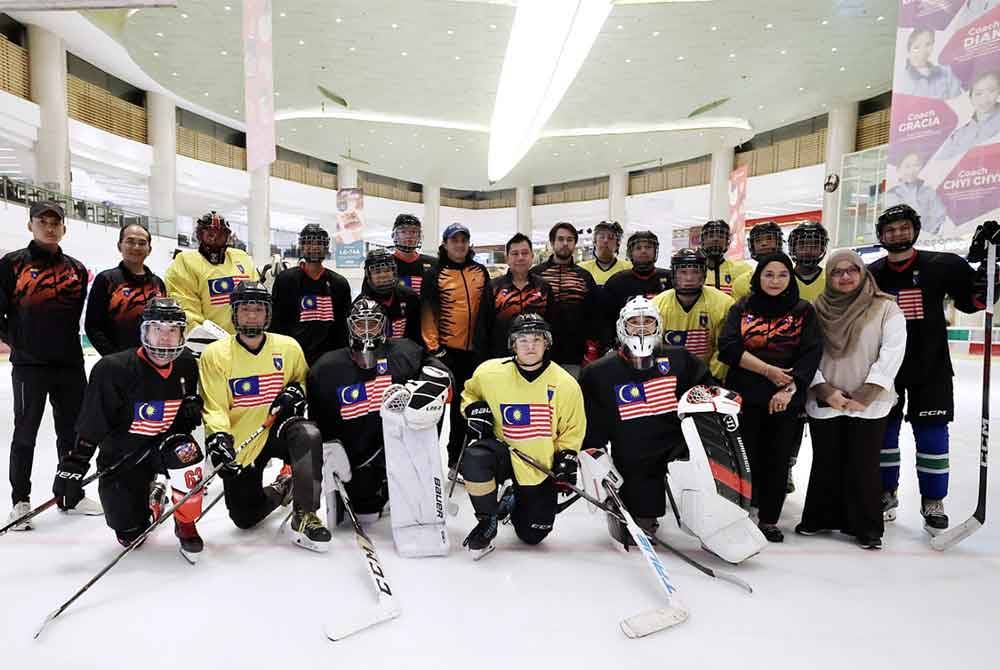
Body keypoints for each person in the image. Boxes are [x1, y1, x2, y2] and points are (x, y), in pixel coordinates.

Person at [867, 205, 999, 531]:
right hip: (886, 368)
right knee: (884, 435)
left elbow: (975, 302)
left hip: (931, 368)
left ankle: (933, 501)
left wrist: (991, 264)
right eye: (890, 229)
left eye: (903, 227)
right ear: (880, 235)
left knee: (932, 436)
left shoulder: (943, 265)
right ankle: (886, 492)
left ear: (915, 229)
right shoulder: (871, 272)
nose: (897, 234)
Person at [55, 299, 207, 559]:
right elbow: (93, 421)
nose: (165, 338)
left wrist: (188, 412)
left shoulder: (186, 364)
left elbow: (181, 418)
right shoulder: (112, 369)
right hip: (125, 455)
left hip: (163, 447)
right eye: (157, 329)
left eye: (173, 330)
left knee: (187, 453)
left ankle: (185, 522)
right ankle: (155, 496)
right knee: (131, 537)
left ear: (182, 333)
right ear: (144, 331)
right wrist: (74, 464)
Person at [199, 281, 330, 552]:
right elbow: (215, 407)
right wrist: (220, 437)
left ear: (267, 313)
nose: (251, 315)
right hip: (243, 439)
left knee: (308, 434)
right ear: (234, 313)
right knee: (245, 518)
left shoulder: (288, 347)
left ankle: (306, 514)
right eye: (245, 309)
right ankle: (284, 486)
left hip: (279, 429)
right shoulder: (215, 355)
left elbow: (304, 381)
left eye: (258, 309)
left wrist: (296, 391)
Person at [578, 298, 712, 540]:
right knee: (639, 524)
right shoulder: (598, 372)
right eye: (633, 323)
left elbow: (706, 391)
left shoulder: (680, 359)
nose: (641, 328)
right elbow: (592, 425)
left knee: (706, 500)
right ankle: (638, 512)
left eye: (647, 322)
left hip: (679, 446)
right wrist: (597, 460)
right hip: (634, 455)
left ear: (658, 325)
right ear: (622, 327)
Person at [306, 298, 450, 525]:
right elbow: (317, 421)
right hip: (358, 457)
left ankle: (411, 478)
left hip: (400, 449)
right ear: (349, 326)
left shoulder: (405, 351)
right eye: (359, 324)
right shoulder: (326, 368)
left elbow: (438, 370)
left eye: (371, 323)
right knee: (367, 514)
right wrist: (329, 448)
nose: (365, 330)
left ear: (383, 325)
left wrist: (429, 388)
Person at [800, 251, 906, 550]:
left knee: (864, 463)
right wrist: (824, 390)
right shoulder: (816, 309)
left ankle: (866, 527)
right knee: (826, 460)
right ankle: (820, 517)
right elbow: (807, 353)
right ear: (828, 277)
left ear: (863, 273)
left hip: (869, 401)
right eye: (837, 272)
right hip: (826, 396)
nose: (845, 277)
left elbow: (893, 351)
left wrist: (867, 393)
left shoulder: (885, 307)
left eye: (852, 271)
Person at [1, 201, 99, 528]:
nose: (49, 226)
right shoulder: (11, 264)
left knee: (72, 432)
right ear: (30, 225)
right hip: (30, 367)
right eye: (42, 221)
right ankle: (20, 500)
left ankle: (69, 493)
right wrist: (19, 341)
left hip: (70, 364)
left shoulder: (77, 268)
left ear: (64, 228)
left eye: (55, 221)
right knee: (25, 433)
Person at [459, 314, 585, 558]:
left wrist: (567, 458)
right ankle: (487, 520)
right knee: (475, 458)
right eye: (523, 340)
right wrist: (474, 409)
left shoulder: (565, 384)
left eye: (537, 339)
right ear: (512, 344)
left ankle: (512, 500)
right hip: (503, 453)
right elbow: (469, 394)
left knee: (533, 535)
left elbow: (572, 429)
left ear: (547, 343)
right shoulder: (489, 372)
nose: (530, 346)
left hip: (538, 465)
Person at [717, 252, 823, 542]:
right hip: (744, 397)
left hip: (785, 398)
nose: (775, 281)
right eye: (768, 274)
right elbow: (727, 347)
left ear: (790, 278)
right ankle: (743, 512)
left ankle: (769, 519)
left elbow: (811, 353)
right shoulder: (742, 307)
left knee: (777, 459)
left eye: (782, 275)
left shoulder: (803, 311)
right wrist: (769, 371)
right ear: (758, 277)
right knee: (744, 459)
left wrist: (788, 389)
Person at [421, 222, 490, 470]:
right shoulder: (434, 274)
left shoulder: (480, 271)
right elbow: (427, 313)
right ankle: (428, 463)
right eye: (454, 240)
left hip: (476, 353)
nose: (460, 245)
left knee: (466, 410)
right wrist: (436, 349)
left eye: (464, 240)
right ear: (445, 244)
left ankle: (457, 461)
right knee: (436, 411)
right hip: (446, 353)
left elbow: (487, 311)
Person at [164, 211, 259, 337]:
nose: (214, 239)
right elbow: (186, 310)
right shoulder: (186, 262)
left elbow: (258, 299)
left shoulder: (242, 258)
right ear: (199, 236)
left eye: (220, 235)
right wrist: (205, 339)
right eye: (210, 234)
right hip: (209, 345)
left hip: (246, 340)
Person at [270, 224, 352, 365]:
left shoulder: (339, 284)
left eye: (319, 243)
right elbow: (277, 324)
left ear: (326, 247)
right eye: (309, 242)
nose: (314, 247)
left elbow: (342, 329)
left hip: (329, 361)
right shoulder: (285, 280)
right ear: (301, 246)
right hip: (293, 358)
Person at [530, 222, 601, 377]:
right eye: (560, 239)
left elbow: (594, 315)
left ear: (575, 244)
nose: (564, 244)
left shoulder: (584, 276)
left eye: (569, 240)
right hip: (540, 353)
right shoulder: (535, 275)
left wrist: (592, 350)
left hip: (574, 355)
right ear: (552, 243)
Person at [651, 248, 733, 380]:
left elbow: (724, 348)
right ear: (673, 274)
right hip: (668, 375)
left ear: (704, 274)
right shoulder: (657, 305)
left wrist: (710, 378)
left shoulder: (723, 303)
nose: (689, 278)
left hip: (708, 376)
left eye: (695, 272)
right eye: (683, 272)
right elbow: (653, 349)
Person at [85, 223, 166, 356]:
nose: (136, 247)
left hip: (152, 361)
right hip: (118, 361)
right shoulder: (106, 279)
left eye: (142, 243)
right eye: (130, 241)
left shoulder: (157, 284)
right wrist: (113, 358)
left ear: (149, 249)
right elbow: (93, 326)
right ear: (119, 246)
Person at [475, 233, 554, 359]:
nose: (520, 257)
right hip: (501, 358)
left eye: (525, 253)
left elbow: (552, 325)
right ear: (507, 258)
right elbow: (482, 328)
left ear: (532, 256)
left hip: (536, 358)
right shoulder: (493, 287)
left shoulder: (543, 287)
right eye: (515, 254)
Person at [601, 231, 672, 349]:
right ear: (631, 253)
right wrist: (609, 346)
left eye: (648, 247)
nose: (643, 251)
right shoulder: (617, 281)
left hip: (663, 345)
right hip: (627, 345)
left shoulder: (670, 279)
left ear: (655, 251)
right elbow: (606, 320)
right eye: (638, 248)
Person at [359, 247, 422, 346]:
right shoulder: (360, 306)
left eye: (387, 270)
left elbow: (417, 336)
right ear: (368, 275)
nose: (383, 275)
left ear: (394, 271)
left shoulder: (410, 297)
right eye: (377, 271)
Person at [937, 71, 1000, 160]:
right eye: (978, 93)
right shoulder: (959, 134)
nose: (985, 98)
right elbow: (941, 163)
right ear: (971, 98)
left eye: (991, 91)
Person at [884, 153, 948, 235]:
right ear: (898, 169)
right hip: (904, 239)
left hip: (929, 240)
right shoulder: (891, 195)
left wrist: (929, 233)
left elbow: (940, 215)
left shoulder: (929, 191)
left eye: (916, 165)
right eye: (907, 166)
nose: (912, 170)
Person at [896, 28, 963, 100]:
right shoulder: (901, 80)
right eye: (916, 47)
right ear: (909, 49)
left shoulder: (947, 73)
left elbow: (957, 101)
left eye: (928, 44)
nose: (923, 50)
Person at [730, 222, 784, 302]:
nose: (764, 244)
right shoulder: (741, 283)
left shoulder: (792, 279)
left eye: (769, 239)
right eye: (758, 240)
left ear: (778, 242)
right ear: (752, 246)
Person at [698, 219, 752, 296]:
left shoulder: (742, 270)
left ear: (727, 242)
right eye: (711, 236)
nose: (715, 239)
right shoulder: (693, 271)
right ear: (702, 241)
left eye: (720, 236)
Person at [391, 214, 437, 296]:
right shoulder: (385, 263)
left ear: (419, 236)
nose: (409, 236)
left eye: (413, 232)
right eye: (403, 232)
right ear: (395, 235)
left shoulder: (434, 263)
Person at [787, 222, 829, 303]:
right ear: (793, 249)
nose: (808, 251)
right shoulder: (783, 279)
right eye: (802, 245)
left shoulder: (830, 279)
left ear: (822, 249)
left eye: (815, 246)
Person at [580, 220, 631, 286]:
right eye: (602, 237)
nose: (605, 241)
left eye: (610, 238)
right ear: (595, 242)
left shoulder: (629, 269)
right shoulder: (582, 269)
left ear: (617, 244)